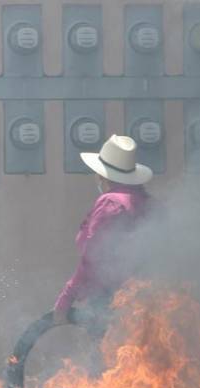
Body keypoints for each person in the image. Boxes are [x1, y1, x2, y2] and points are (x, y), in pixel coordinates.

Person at [53, 135, 153, 335]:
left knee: (106, 359)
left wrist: (66, 298)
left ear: (103, 176)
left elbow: (93, 258)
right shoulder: (149, 203)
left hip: (111, 301)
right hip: (146, 301)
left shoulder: (111, 203)